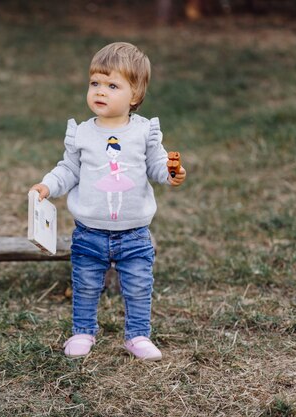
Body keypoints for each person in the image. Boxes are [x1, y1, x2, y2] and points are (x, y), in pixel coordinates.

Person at [29, 42, 186, 360]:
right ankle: (83, 331)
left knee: (139, 287)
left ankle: (138, 335)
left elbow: (156, 165)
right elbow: (69, 170)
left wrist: (171, 173)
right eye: (95, 83)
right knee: (85, 285)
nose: (100, 91)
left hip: (135, 234)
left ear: (135, 95)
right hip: (89, 233)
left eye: (112, 85)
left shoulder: (144, 133)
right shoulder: (82, 134)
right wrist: (48, 186)